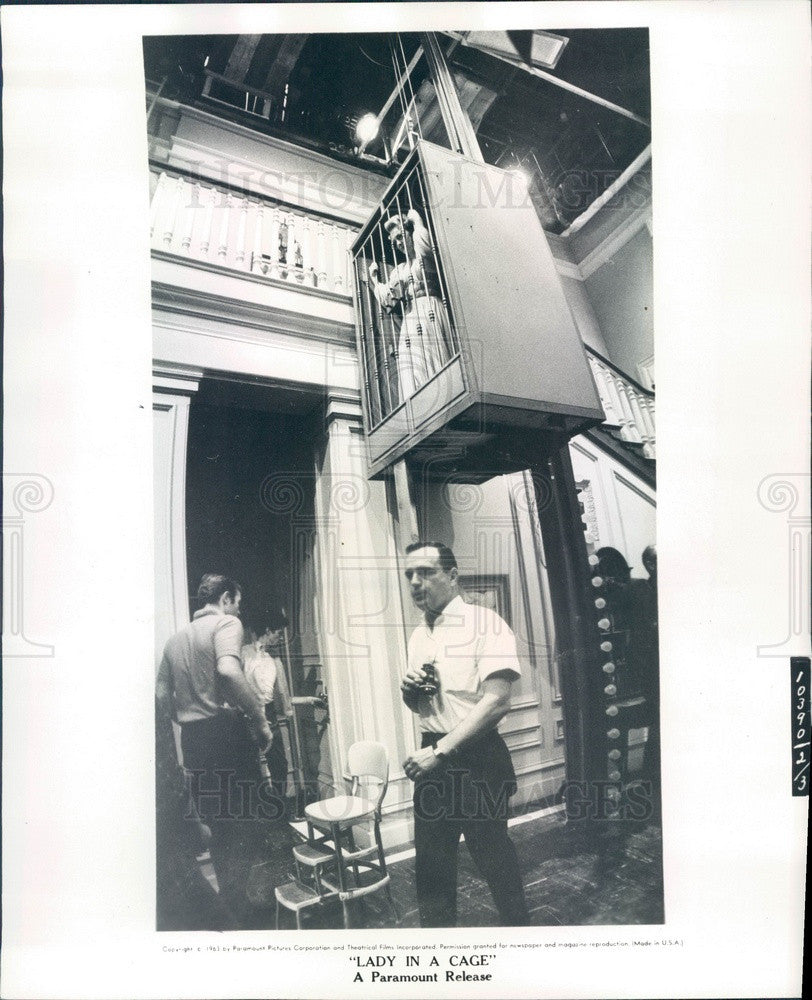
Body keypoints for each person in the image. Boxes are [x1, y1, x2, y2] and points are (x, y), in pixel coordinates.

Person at [400, 541, 530, 927]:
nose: (415, 583)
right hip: (433, 756)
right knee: (432, 871)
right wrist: (409, 693)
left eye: (426, 572)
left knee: (496, 864)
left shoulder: (485, 623)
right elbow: (421, 707)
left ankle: (523, 948)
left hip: (476, 759)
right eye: (409, 575)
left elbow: (497, 702)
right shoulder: (418, 635)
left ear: (453, 576)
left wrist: (438, 752)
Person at [156, 573, 274, 927]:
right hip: (226, 737)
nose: (238, 609)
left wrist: (185, 718)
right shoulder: (227, 623)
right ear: (225, 599)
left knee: (219, 828)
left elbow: (161, 695)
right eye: (237, 602)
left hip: (195, 743)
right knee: (248, 824)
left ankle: (235, 908)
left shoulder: (174, 641)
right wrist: (260, 718)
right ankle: (254, 912)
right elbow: (227, 669)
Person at [368, 207, 453, 402]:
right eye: (393, 241)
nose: (397, 244)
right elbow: (388, 298)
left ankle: (440, 397)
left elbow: (424, 245)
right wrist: (375, 281)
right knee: (412, 361)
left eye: (399, 236)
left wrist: (417, 221)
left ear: (409, 231)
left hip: (429, 307)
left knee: (432, 354)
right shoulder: (400, 268)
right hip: (411, 315)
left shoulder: (422, 257)